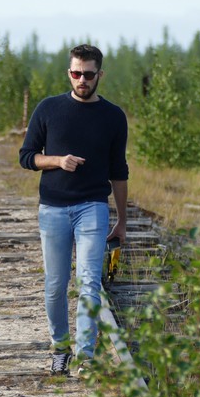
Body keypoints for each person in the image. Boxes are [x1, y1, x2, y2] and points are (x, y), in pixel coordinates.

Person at [18, 43, 128, 376]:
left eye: (89, 74)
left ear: (99, 75)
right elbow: (27, 156)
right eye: (76, 73)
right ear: (69, 73)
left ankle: (86, 356)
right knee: (55, 284)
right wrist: (56, 161)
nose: (82, 79)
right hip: (52, 208)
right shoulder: (48, 109)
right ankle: (60, 347)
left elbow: (119, 171)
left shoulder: (113, 116)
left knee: (89, 282)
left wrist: (122, 219)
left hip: (92, 207)